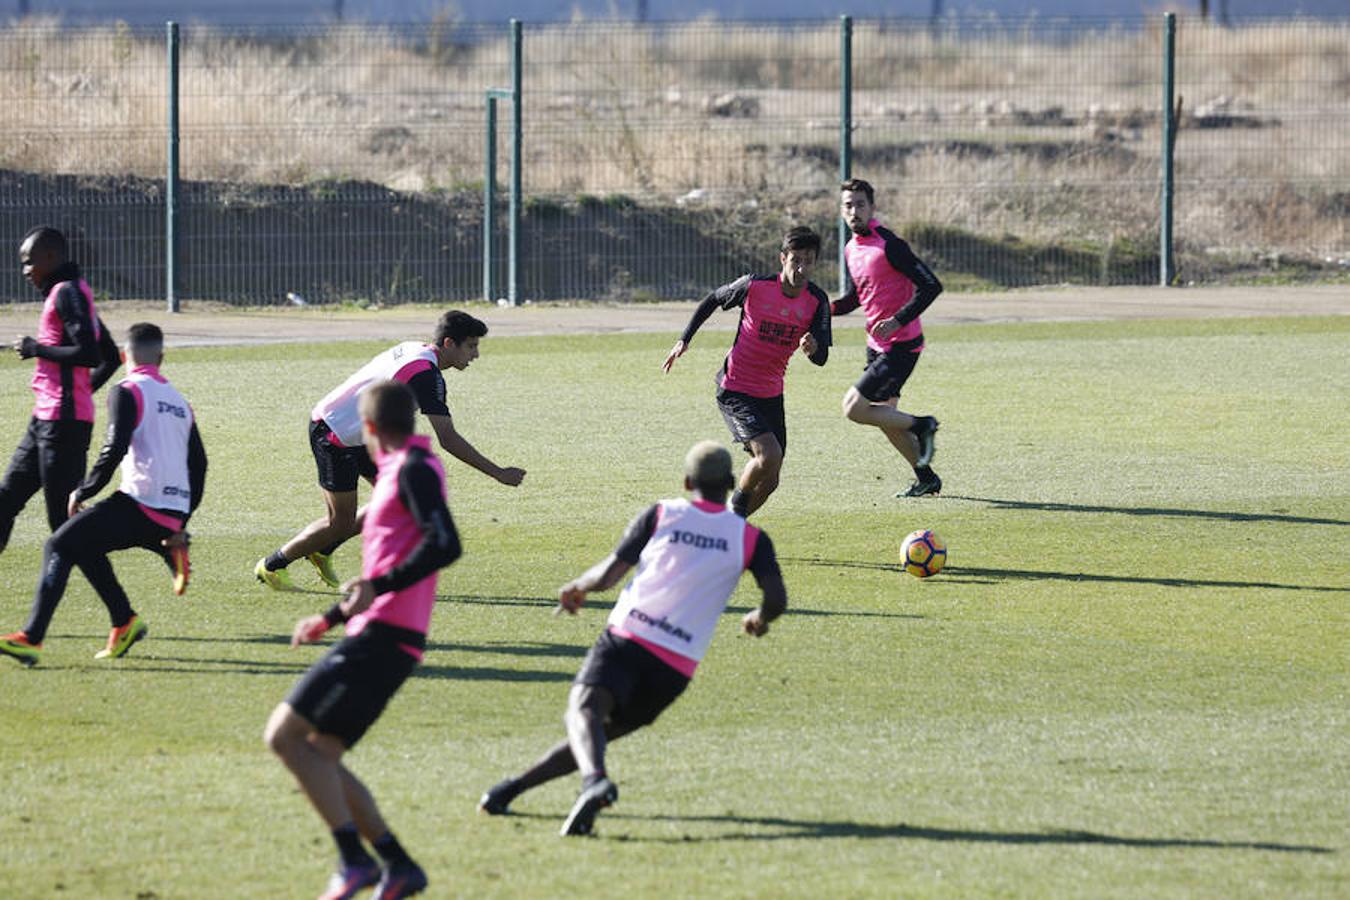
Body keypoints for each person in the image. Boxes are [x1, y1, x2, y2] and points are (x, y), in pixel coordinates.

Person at [477, 440, 788, 837]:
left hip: (631, 637)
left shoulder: (663, 514)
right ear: (730, 483)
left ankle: (593, 784)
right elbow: (776, 598)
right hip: (676, 666)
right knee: (596, 735)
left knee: (582, 712)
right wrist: (759, 618)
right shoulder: (751, 539)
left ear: (687, 481)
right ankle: (512, 791)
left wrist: (577, 586)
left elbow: (608, 576)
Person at [264, 380, 460, 900]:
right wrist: (327, 619)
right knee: (321, 754)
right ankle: (397, 866)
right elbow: (379, 575)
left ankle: (355, 862)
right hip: (380, 634)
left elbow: (446, 544)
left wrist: (380, 586)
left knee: (284, 737)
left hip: (385, 637)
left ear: (367, 430)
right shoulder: (402, 470)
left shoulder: (414, 470)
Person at [255, 309, 522, 592]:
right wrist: (498, 473)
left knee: (397, 497)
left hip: (361, 433)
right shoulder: (426, 376)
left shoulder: (415, 348)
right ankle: (272, 566)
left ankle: (322, 549)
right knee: (341, 522)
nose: (476, 355)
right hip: (334, 434)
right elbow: (447, 438)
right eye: (471, 346)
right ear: (448, 344)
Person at [0, 323, 205, 667]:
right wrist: (181, 520)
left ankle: (32, 639)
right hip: (171, 510)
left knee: (58, 544)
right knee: (82, 544)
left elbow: (114, 447)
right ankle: (126, 615)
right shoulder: (181, 403)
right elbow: (199, 464)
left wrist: (85, 489)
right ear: (162, 357)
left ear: (125, 356)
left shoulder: (126, 390)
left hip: (140, 503)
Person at [662, 226, 831, 517]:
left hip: (771, 394)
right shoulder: (754, 286)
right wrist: (684, 339)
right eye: (796, 260)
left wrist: (813, 348)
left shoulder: (817, 301)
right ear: (783, 259)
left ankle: (730, 525)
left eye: (809, 260)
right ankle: (731, 510)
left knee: (772, 478)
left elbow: (822, 358)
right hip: (735, 387)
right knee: (770, 456)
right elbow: (713, 299)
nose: (802, 268)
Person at [0, 225, 121, 557]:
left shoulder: (69, 293)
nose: (25, 270)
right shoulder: (66, 293)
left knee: (62, 524)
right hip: (45, 419)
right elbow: (111, 357)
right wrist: (80, 391)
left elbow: (91, 355)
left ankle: (122, 602)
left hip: (64, 426)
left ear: (51, 256)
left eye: (29, 261)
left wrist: (36, 348)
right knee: (6, 499)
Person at [834, 178, 945, 497]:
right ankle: (926, 478)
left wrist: (897, 320)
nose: (854, 210)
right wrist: (822, 310)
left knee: (854, 407)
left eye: (859, 204)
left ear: (872, 207)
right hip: (875, 346)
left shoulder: (890, 245)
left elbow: (931, 286)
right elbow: (856, 298)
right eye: (848, 205)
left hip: (901, 346)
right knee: (886, 418)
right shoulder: (851, 249)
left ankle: (922, 424)